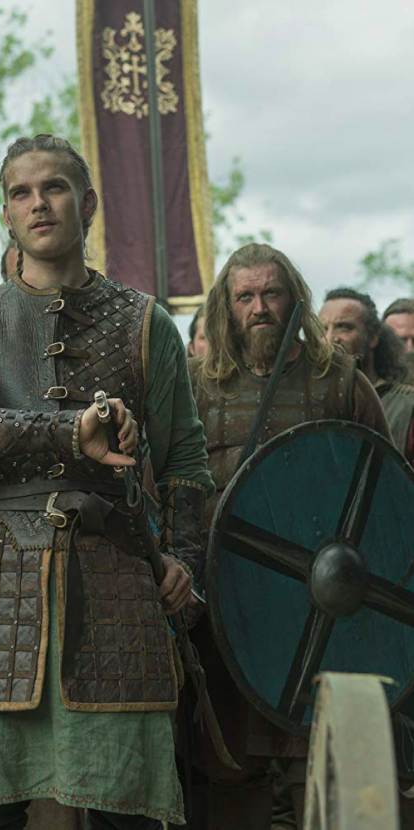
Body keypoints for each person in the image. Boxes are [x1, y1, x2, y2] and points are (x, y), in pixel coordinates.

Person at [0, 133, 213, 829]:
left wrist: (185, 561)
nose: (38, 203)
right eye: (21, 192)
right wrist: (65, 431)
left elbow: (185, 460)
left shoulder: (146, 324)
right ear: (7, 214)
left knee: (124, 811)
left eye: (53, 187)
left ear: (88, 203)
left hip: (115, 578)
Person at [188, 243, 391, 830]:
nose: (260, 308)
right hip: (228, 604)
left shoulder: (341, 381)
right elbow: (169, 487)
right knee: (229, 765)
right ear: (226, 306)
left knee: (322, 759)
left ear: (293, 298)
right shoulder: (199, 386)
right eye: (245, 296)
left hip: (322, 606)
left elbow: (384, 495)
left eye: (271, 293)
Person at [320, 287, 414, 463]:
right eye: (323, 329)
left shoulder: (407, 407)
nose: (330, 338)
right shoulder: (310, 401)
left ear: (373, 337)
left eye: (343, 327)